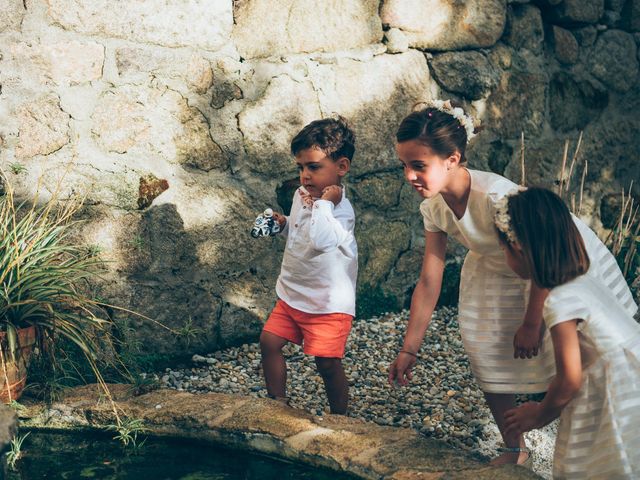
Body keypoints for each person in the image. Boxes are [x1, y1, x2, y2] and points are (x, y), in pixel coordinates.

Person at [387, 100, 637, 466]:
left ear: (452, 159)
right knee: (483, 344)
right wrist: (409, 348)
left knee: (579, 353)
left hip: (548, 257)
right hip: (498, 262)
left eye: (418, 166)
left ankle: (594, 422)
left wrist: (532, 321)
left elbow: (542, 257)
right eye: (404, 166)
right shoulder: (434, 208)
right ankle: (513, 446)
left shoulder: (496, 197)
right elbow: (429, 279)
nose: (409, 175)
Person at [496, 187, 640, 479]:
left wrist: (538, 414)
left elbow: (570, 379)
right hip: (630, 376)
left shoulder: (559, 301)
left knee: (598, 464)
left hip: (615, 391)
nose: (504, 257)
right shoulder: (582, 279)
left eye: (504, 249)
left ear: (521, 249)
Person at [259, 116, 357, 415]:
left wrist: (324, 205)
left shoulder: (341, 211)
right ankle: (278, 404)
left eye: (313, 167)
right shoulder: (301, 196)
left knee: (326, 363)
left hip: (327, 303)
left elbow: (320, 241)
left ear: (341, 167)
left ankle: (341, 417)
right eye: (300, 167)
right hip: (293, 293)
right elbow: (301, 232)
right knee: (269, 342)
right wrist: (283, 224)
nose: (305, 175)